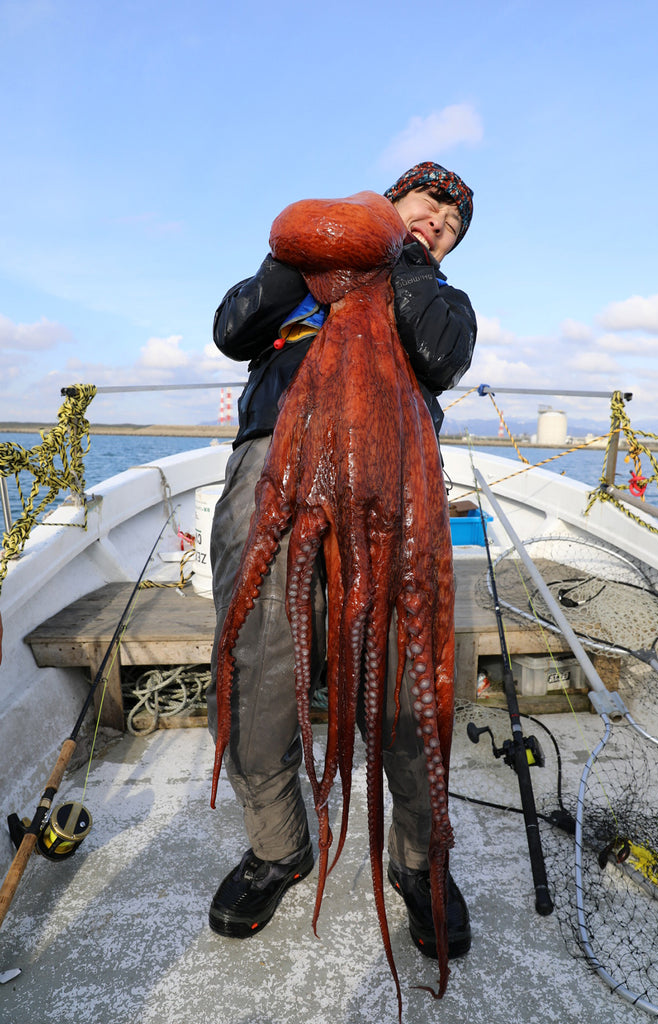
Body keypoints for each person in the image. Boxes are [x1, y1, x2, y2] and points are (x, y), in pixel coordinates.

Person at [206, 161, 477, 960]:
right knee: (258, 667)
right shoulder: (300, 273)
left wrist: (410, 264)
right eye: (427, 203)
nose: (439, 219)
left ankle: (420, 862)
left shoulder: (439, 298)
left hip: (393, 481)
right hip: (273, 461)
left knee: (408, 674)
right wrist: (294, 259)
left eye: (453, 224)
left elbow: (440, 358)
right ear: (384, 203)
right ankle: (277, 847)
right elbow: (232, 333)